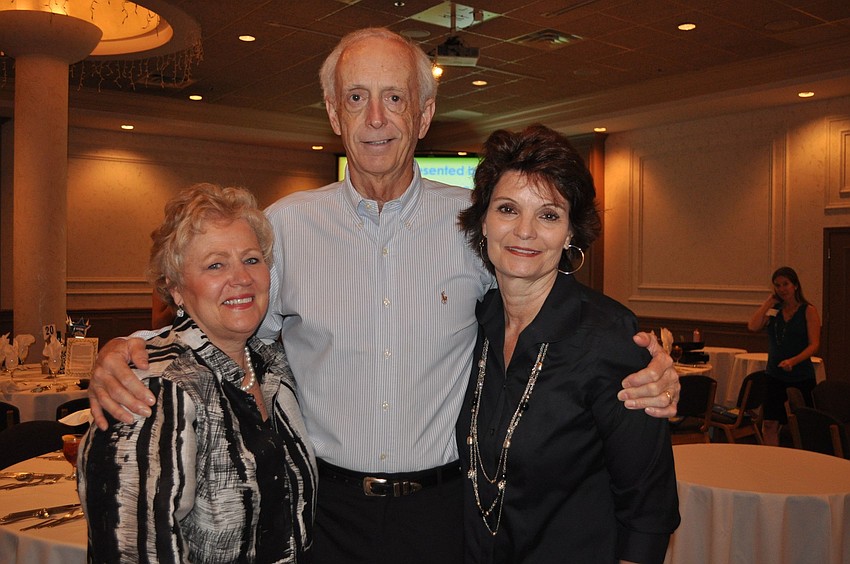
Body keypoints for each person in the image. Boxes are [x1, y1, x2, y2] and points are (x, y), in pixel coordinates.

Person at [87, 28, 681, 564]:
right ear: (332, 111)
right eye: (355, 97)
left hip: (448, 514)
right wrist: (131, 347)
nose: (375, 117)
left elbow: (548, 298)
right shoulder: (284, 228)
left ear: (423, 114)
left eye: (394, 97)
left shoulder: (476, 227)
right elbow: (228, 323)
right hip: (327, 515)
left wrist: (649, 358)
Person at [456, 124, 679, 563]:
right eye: (507, 208)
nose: (525, 231)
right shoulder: (473, 322)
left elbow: (647, 503)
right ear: (484, 221)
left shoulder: (611, 337)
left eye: (549, 215)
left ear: (571, 232)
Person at [78, 184, 316, 563]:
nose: (241, 278)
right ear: (174, 288)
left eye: (252, 260)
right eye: (215, 265)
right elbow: (132, 550)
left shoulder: (274, 368)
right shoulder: (152, 389)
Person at [747, 266, 821, 446]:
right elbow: (753, 326)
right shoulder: (774, 310)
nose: (782, 289)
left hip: (801, 374)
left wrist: (793, 361)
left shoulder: (808, 310)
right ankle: (771, 460)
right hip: (775, 374)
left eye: (785, 284)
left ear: (795, 285)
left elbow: (814, 345)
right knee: (770, 422)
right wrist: (768, 303)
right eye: (777, 285)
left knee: (803, 422)